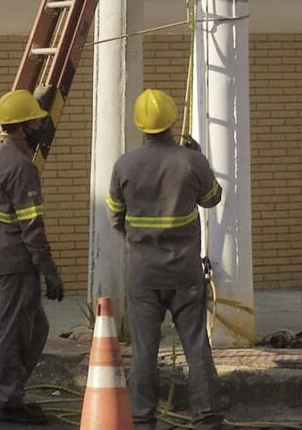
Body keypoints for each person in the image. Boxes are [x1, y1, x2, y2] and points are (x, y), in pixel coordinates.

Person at [106, 88, 225, 430]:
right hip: (185, 273)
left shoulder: (124, 165)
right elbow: (212, 199)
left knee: (145, 349)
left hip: (144, 273)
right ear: (172, 121)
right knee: (196, 345)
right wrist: (200, 158)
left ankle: (142, 419)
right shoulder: (191, 161)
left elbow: (116, 217)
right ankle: (208, 418)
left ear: (140, 124)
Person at [0, 89, 64, 426]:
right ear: (23, 128)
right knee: (16, 333)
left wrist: (39, 97)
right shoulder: (21, 167)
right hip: (16, 261)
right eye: (36, 122)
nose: (41, 126)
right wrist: (51, 272)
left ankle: (12, 392)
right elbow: (32, 229)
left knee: (35, 328)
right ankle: (6, 399)